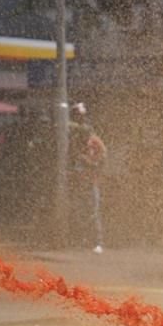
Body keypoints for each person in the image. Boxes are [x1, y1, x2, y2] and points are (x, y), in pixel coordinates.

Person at [69, 103, 107, 253]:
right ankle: (82, 239)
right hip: (79, 181)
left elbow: (103, 156)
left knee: (93, 211)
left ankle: (97, 241)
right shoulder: (74, 140)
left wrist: (92, 164)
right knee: (80, 211)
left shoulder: (94, 141)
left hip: (91, 181)